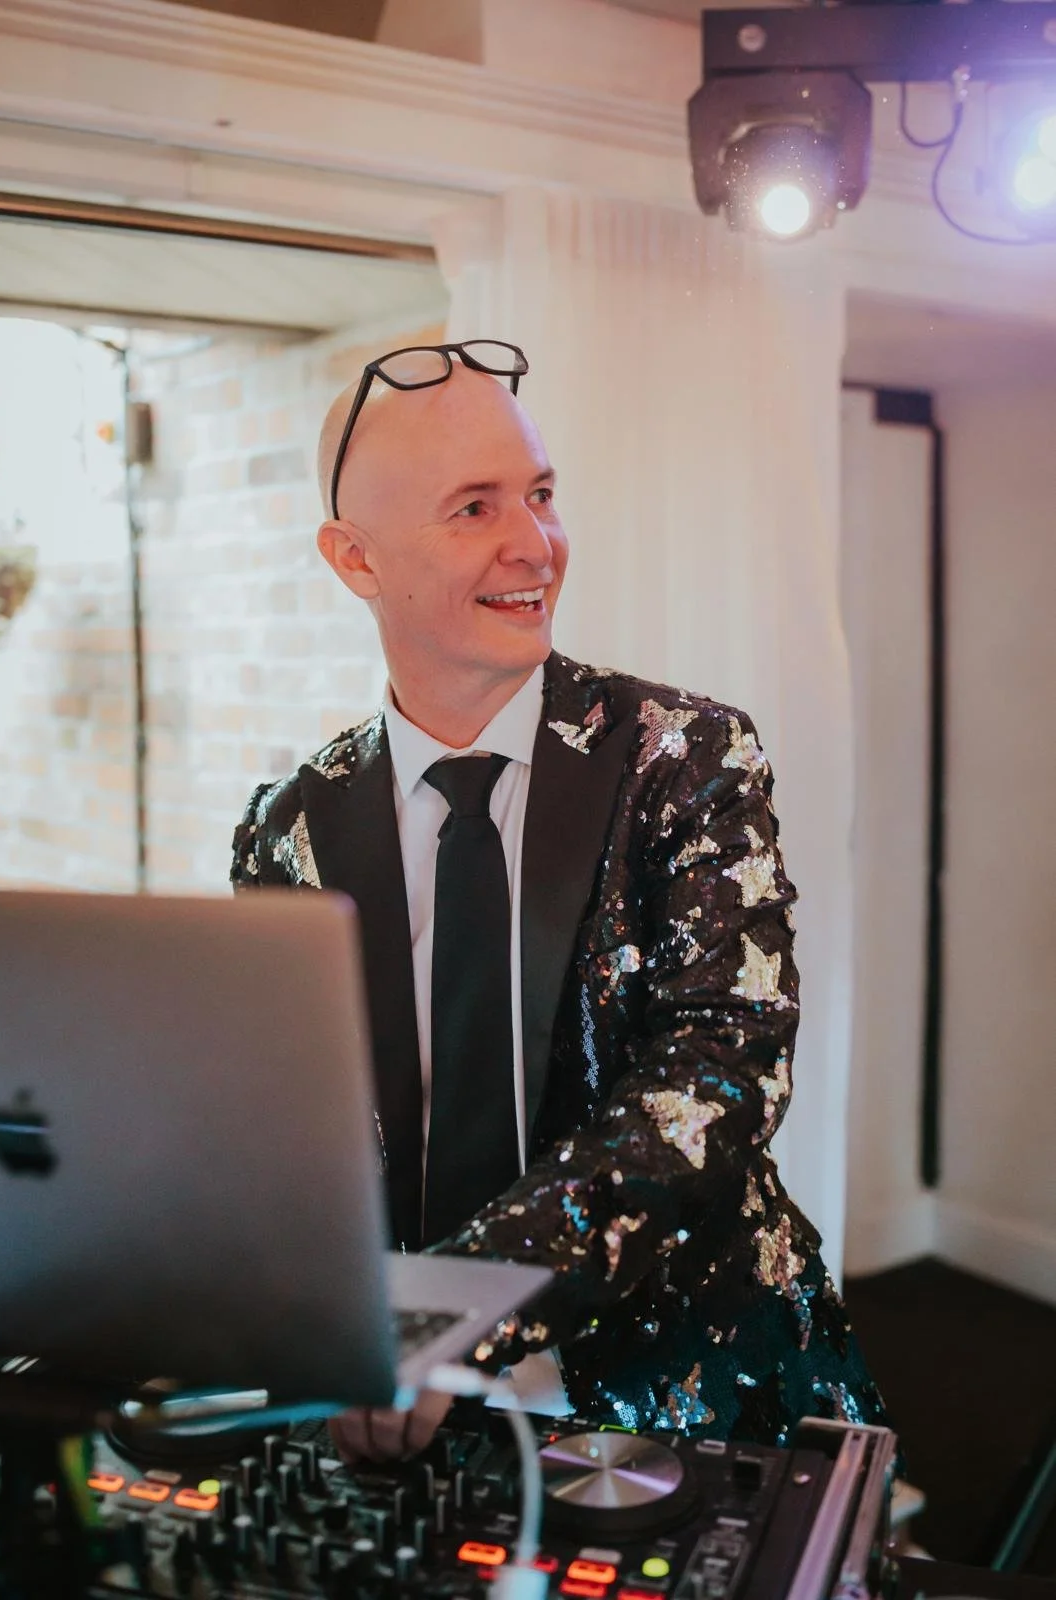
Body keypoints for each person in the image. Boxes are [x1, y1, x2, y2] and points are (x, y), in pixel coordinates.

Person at [231, 340, 886, 1465]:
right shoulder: (287, 829)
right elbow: (289, 1133)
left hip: (690, 1395)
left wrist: (463, 1305)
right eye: (473, 506)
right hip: (396, 1416)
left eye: (539, 493)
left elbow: (718, 1074)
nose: (534, 543)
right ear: (355, 558)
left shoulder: (687, 757)